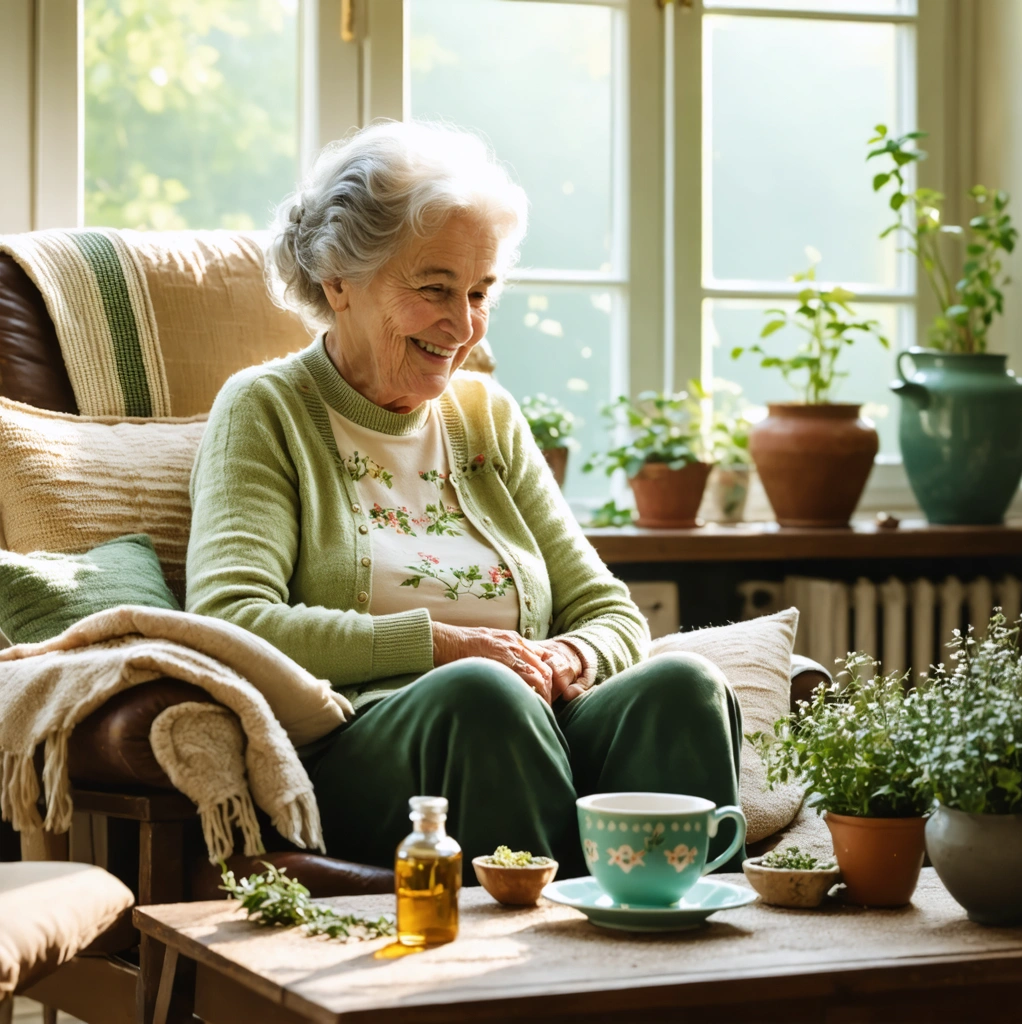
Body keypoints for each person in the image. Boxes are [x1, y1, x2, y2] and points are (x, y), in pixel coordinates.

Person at [186, 121, 744, 877]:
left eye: (480, 292)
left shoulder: (486, 415)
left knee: (683, 684)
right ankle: (538, 966)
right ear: (337, 283)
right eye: (434, 289)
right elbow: (230, 621)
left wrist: (570, 654)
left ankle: (693, 961)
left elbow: (609, 612)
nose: (463, 324)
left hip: (534, 724)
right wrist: (447, 646)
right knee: (482, 693)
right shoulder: (266, 410)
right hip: (368, 753)